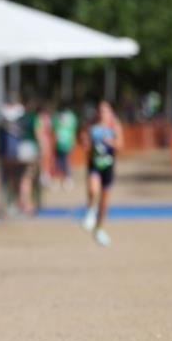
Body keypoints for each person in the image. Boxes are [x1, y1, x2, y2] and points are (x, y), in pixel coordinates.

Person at [81, 101, 124, 247]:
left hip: (108, 166)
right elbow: (84, 143)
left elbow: (120, 146)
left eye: (106, 111)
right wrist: (85, 142)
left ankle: (99, 229)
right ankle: (90, 211)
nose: (102, 114)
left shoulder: (114, 125)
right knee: (93, 190)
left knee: (104, 202)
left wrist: (110, 142)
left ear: (110, 112)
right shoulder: (91, 126)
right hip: (94, 165)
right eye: (100, 111)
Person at [51, 103, 78, 190]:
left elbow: (73, 130)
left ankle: (67, 180)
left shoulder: (70, 117)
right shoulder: (56, 116)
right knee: (58, 162)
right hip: (59, 143)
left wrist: (72, 142)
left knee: (65, 162)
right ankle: (57, 180)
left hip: (66, 143)